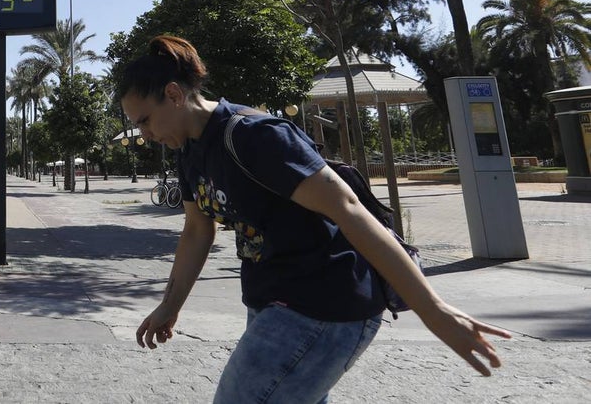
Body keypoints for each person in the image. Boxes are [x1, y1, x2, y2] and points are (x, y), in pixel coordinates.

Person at [117, 35, 510, 403]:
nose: (144, 134)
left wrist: (432, 310)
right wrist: (170, 306)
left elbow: (349, 209)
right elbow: (196, 230)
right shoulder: (189, 153)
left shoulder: (254, 136)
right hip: (272, 301)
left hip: (324, 301)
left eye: (144, 120)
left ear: (173, 95)